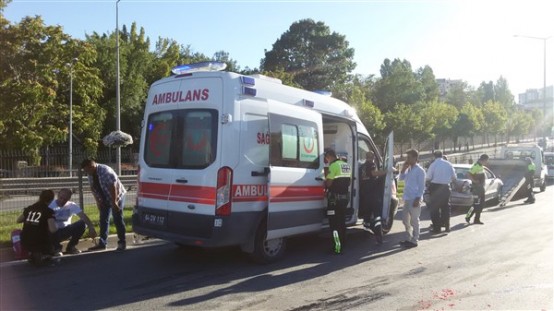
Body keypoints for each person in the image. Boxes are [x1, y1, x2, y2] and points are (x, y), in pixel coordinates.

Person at [81, 159, 127, 251]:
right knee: (103, 219)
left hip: (117, 196)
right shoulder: (90, 174)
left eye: (87, 170)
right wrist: (98, 201)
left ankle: (122, 242)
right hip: (104, 197)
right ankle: (102, 243)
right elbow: (92, 188)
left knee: (117, 218)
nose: (86, 173)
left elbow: (113, 187)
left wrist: (114, 203)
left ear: (92, 167)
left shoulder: (105, 171)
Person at [49, 188, 97, 254]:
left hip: (65, 231)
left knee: (83, 223)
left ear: (69, 199)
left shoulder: (71, 205)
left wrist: (91, 227)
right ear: (58, 195)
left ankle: (71, 247)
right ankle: (55, 248)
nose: (62, 201)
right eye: (61, 198)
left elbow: (83, 216)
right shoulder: (50, 205)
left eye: (65, 199)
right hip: (53, 232)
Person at [16, 190, 58, 265]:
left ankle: (33, 254)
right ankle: (47, 252)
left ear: (40, 197)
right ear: (51, 199)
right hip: (40, 241)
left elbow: (18, 220)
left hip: (25, 239)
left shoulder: (30, 208)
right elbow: (53, 229)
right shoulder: (48, 211)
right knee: (52, 231)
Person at [324, 149, 352, 254]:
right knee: (341, 222)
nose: (326, 160)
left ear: (329, 156)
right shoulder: (346, 165)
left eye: (326, 158)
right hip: (344, 199)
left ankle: (337, 247)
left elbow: (329, 184)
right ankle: (343, 244)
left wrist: (325, 178)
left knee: (334, 224)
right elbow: (348, 182)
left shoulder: (333, 166)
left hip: (334, 200)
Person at [359, 151, 389, 244]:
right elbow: (374, 173)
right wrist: (386, 172)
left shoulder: (362, 166)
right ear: (373, 158)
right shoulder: (371, 164)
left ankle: (365, 234)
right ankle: (379, 237)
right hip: (373, 195)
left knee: (367, 217)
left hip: (365, 194)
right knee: (377, 218)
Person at [399, 149, 425, 248]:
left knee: (414, 220)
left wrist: (418, 198)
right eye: (407, 157)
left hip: (414, 198)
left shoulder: (420, 170)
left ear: (415, 158)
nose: (407, 159)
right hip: (407, 198)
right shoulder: (408, 169)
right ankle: (408, 238)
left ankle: (415, 240)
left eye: (409, 157)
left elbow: (422, 186)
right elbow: (401, 181)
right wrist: (402, 170)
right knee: (405, 220)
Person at [426, 151, 456, 233]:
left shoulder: (433, 165)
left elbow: (428, 177)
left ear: (434, 156)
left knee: (435, 209)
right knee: (446, 208)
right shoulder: (448, 164)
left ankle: (437, 228)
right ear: (442, 156)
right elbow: (454, 177)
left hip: (435, 187)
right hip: (446, 187)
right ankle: (447, 226)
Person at [465, 154, 489, 225]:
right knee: (475, 204)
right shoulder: (476, 166)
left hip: (481, 188)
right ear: (484, 160)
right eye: (486, 161)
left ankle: (477, 219)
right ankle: (468, 216)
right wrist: (474, 181)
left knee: (481, 205)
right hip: (476, 189)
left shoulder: (481, 166)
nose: (487, 162)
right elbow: (468, 174)